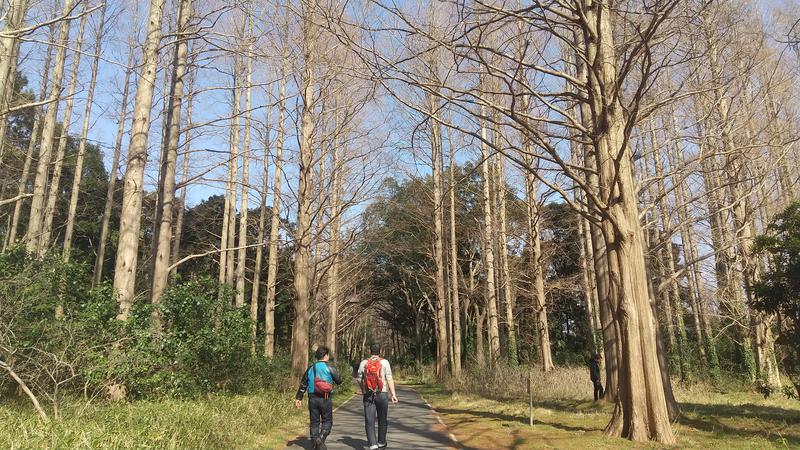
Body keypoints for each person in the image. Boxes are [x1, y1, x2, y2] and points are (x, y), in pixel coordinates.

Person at [295, 346, 343, 450]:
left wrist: (298, 398)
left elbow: (303, 384)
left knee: (314, 422)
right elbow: (339, 380)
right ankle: (320, 439)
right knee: (327, 422)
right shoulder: (330, 367)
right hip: (325, 398)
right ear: (326, 355)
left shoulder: (311, 368)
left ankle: (314, 446)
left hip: (312, 399)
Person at [357, 343, 398, 450]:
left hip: (369, 394)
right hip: (382, 394)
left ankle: (373, 445)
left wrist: (363, 390)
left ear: (370, 351)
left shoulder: (364, 363)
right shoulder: (385, 362)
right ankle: (381, 442)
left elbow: (359, 378)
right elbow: (389, 378)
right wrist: (393, 394)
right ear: (380, 351)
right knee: (382, 419)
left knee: (369, 421)